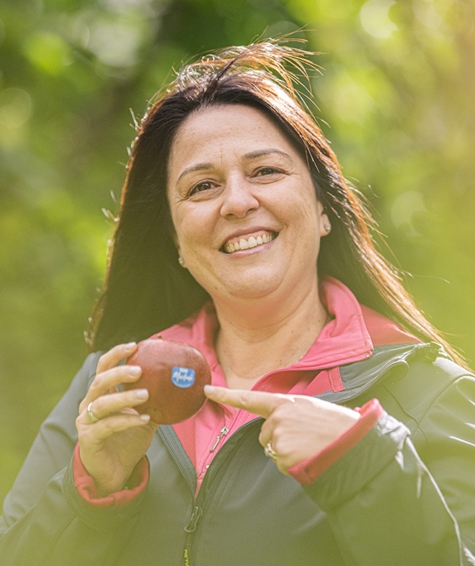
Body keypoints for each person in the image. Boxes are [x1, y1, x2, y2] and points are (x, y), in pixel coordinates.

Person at [1, 41, 474, 566]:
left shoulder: (430, 397)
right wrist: (91, 490)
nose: (237, 202)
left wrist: (366, 467)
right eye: (202, 186)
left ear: (322, 208)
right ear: (176, 242)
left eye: (266, 171)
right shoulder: (112, 389)